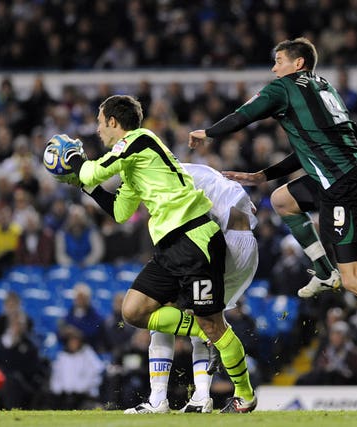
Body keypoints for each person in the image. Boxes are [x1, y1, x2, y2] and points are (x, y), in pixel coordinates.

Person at [188, 37, 357, 380]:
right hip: (343, 177)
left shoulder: (286, 87)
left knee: (355, 278)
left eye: (279, 61)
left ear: (298, 64)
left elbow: (244, 114)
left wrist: (209, 132)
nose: (274, 68)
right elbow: (311, 147)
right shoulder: (324, 88)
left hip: (342, 186)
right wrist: (265, 175)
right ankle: (323, 272)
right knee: (282, 199)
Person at [58, 95, 256, 412]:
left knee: (213, 325)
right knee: (133, 311)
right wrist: (84, 185)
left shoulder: (140, 140)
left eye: (98, 122)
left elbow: (93, 172)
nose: (96, 130)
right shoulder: (134, 165)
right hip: (169, 248)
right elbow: (121, 211)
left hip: (195, 239)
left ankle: (245, 395)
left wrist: (74, 162)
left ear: (112, 122)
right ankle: (202, 340)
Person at [123, 162, 259, 413]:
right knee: (191, 315)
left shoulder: (167, 176)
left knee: (206, 322)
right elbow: (245, 206)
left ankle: (165, 398)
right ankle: (197, 397)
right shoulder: (199, 170)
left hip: (222, 244)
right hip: (241, 244)